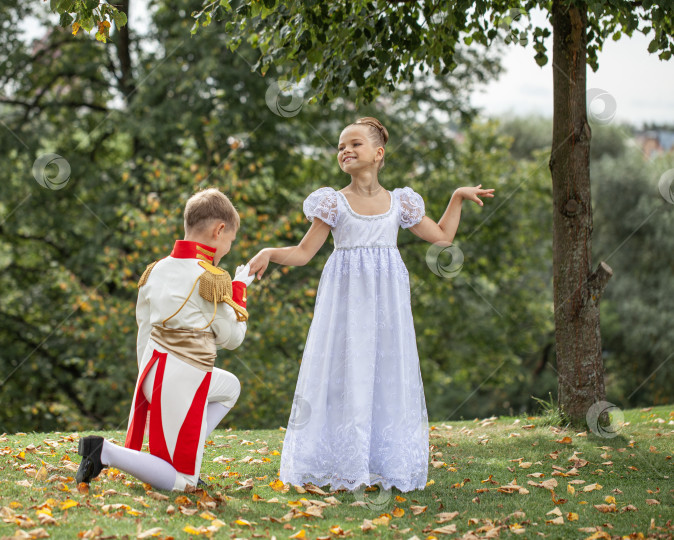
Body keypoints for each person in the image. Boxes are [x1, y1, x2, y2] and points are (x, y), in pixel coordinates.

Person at [248, 117, 495, 492]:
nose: (345, 150)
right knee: (346, 372)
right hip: (344, 303)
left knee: (384, 373)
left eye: (355, 144)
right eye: (340, 146)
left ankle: (382, 462)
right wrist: (269, 252)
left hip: (387, 306)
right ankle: (342, 463)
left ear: (378, 154)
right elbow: (302, 253)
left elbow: (443, 237)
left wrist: (457, 197)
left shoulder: (400, 203)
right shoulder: (333, 202)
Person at [76, 188, 254, 491]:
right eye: (230, 240)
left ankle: (188, 450)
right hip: (182, 380)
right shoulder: (210, 279)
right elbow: (232, 339)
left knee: (230, 387)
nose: (228, 247)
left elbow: (143, 332)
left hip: (152, 372)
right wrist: (238, 290)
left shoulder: (153, 271)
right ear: (219, 230)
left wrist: (147, 382)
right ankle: (104, 451)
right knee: (182, 482)